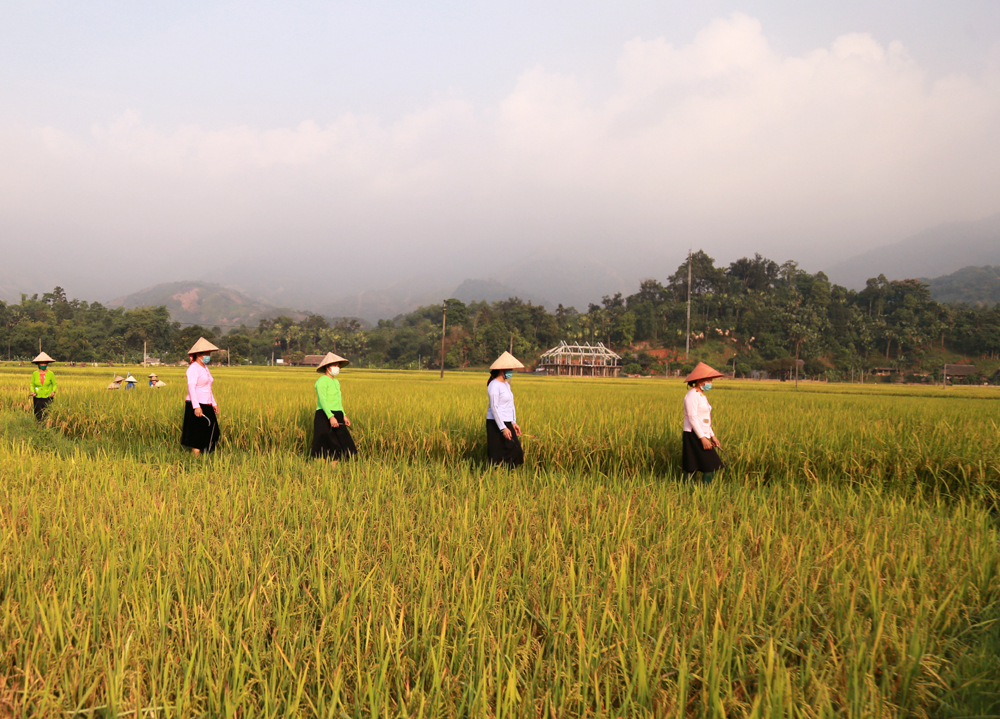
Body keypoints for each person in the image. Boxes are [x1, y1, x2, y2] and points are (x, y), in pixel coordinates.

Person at [310, 351, 357, 463]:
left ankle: (333, 468)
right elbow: (323, 400)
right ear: (327, 367)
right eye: (334, 365)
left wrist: (344, 415)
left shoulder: (336, 382)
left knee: (341, 441)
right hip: (324, 414)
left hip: (337, 413)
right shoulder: (321, 381)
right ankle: (320, 469)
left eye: (338, 365)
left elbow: (338, 400)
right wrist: (331, 416)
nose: (337, 368)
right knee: (324, 442)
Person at [682, 362, 724, 483]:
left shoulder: (701, 395)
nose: (710, 383)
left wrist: (712, 436)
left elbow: (705, 419)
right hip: (693, 434)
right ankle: (691, 489)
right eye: (708, 380)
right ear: (700, 381)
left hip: (702, 433)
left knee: (699, 463)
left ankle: (702, 490)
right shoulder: (692, 395)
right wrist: (702, 438)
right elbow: (693, 418)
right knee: (707, 463)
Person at [180, 337, 221, 456]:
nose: (209, 356)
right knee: (197, 432)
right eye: (207, 354)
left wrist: (214, 403)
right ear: (198, 354)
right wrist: (196, 406)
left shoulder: (205, 368)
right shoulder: (193, 368)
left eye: (209, 353)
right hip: (196, 403)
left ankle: (206, 456)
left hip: (206, 403)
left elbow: (208, 388)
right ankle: (195, 459)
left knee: (213, 430)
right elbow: (191, 388)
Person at [486, 351, 525, 468]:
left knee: (516, 452)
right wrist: (503, 428)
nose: (511, 372)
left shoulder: (506, 385)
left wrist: (513, 422)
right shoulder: (494, 385)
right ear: (502, 370)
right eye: (509, 369)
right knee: (497, 453)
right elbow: (494, 407)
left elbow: (510, 405)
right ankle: (495, 474)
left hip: (507, 421)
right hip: (495, 423)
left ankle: (508, 474)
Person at [29, 352, 57, 421]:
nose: (43, 365)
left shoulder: (50, 374)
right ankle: (38, 425)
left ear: (47, 364)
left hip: (48, 396)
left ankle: (47, 425)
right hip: (37, 396)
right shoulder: (35, 374)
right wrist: (33, 392)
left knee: (47, 413)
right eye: (42, 363)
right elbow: (32, 384)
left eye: (45, 363)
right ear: (38, 364)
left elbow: (54, 384)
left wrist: (53, 391)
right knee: (38, 413)